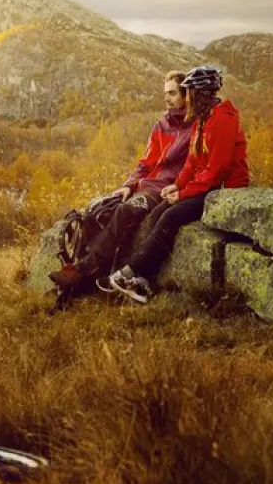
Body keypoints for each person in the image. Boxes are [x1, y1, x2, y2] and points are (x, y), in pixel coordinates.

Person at [104, 65, 250, 304]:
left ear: (199, 94)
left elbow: (217, 170)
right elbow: (192, 163)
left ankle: (129, 273)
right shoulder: (203, 119)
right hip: (206, 186)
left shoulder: (222, 120)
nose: (186, 98)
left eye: (188, 92)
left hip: (224, 191)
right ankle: (144, 280)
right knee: (160, 210)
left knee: (171, 216)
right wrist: (177, 186)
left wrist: (183, 194)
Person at [47, 70, 192, 298]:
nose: (167, 98)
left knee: (126, 211)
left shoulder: (195, 128)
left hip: (164, 190)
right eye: (165, 93)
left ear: (186, 95)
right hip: (146, 185)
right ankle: (84, 284)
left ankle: (79, 272)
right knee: (98, 210)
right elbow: (146, 162)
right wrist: (129, 184)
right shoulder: (161, 125)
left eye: (173, 93)